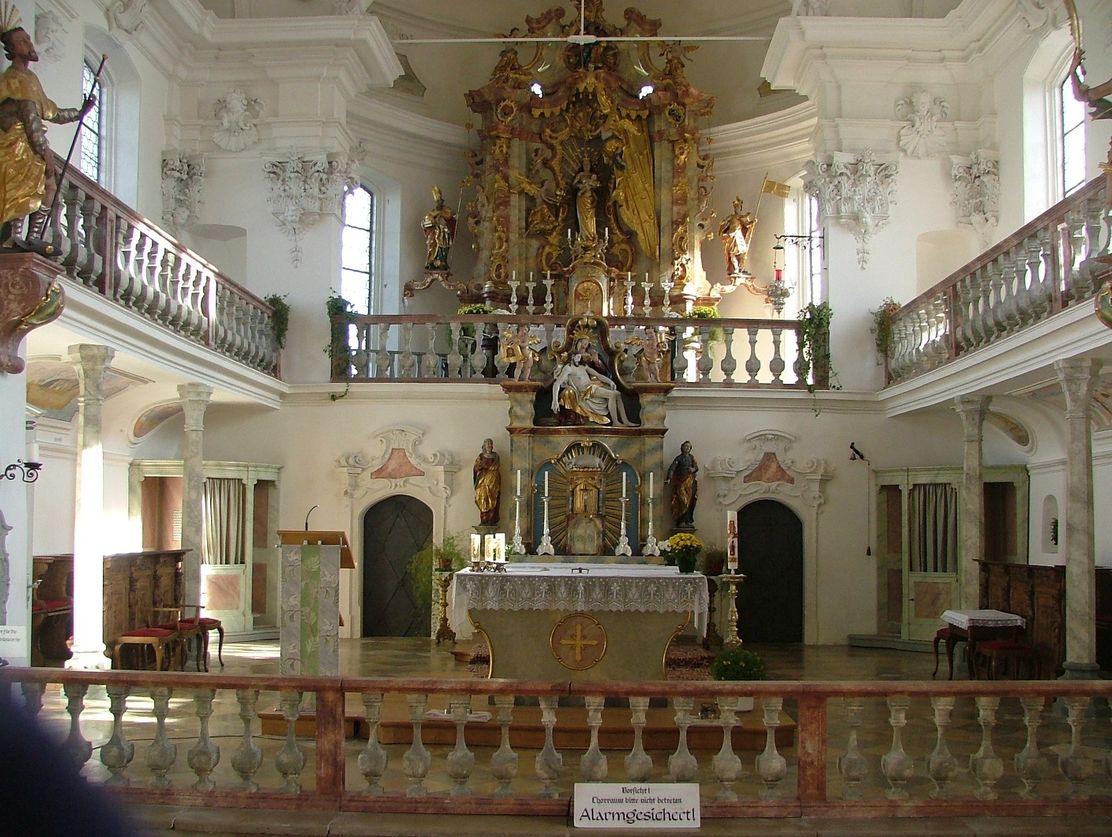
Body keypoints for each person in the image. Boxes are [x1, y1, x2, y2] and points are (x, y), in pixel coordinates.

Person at [0, 13, 96, 244]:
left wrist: (80, 112)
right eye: (23, 41)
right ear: (12, 49)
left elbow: (51, 111)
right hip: (18, 146)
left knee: (47, 190)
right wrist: (46, 153)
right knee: (21, 193)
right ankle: (12, 238)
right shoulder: (14, 79)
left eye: (29, 40)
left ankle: (31, 238)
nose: (30, 45)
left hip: (30, 146)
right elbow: (31, 120)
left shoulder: (30, 78)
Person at [551, 352, 633, 426]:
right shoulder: (568, 368)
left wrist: (610, 382)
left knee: (618, 394)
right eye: (577, 356)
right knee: (612, 395)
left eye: (580, 357)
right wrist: (554, 401)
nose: (579, 359)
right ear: (572, 356)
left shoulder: (583, 366)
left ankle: (625, 421)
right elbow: (557, 383)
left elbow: (598, 375)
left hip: (593, 386)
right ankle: (615, 422)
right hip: (586, 391)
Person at [422, 185, 456, 272]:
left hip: (444, 234)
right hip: (435, 233)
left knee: (443, 248)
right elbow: (426, 221)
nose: (439, 203)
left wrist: (449, 218)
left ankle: (442, 261)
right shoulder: (433, 212)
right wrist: (430, 223)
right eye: (437, 202)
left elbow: (451, 219)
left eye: (440, 201)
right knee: (432, 245)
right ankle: (431, 261)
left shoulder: (447, 210)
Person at [666, 440, 698, 528]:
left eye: (689, 447)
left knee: (690, 501)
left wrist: (693, 469)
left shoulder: (692, 458)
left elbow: (696, 467)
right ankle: (681, 520)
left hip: (690, 482)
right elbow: (672, 468)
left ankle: (687, 520)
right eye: (685, 446)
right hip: (681, 482)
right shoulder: (679, 458)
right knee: (683, 501)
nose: (687, 448)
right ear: (682, 447)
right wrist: (669, 478)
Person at [719, 196, 754, 277]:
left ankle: (740, 268)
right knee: (733, 253)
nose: (736, 209)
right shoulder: (732, 216)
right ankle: (735, 269)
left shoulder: (740, 217)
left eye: (738, 208)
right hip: (732, 235)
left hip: (738, 236)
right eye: (735, 208)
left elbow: (746, 224)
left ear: (740, 209)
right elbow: (723, 222)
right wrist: (722, 222)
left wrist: (753, 222)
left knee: (743, 251)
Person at [473, 438, 501, 525]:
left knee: (493, 497)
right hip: (483, 480)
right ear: (484, 446)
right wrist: (481, 466)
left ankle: (491, 519)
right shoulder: (481, 456)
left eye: (491, 444)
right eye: (488, 444)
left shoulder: (496, 456)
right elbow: (476, 467)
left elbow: (497, 466)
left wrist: (489, 467)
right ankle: (484, 518)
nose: (489, 446)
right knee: (482, 497)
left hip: (493, 480)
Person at [573, 158, 599, 245]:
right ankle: (584, 236)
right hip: (582, 198)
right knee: (583, 218)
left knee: (591, 217)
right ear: (583, 165)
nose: (586, 166)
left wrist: (592, 184)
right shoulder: (580, 175)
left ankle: (591, 236)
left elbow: (598, 185)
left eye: (588, 164)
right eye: (585, 164)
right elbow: (574, 184)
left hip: (590, 199)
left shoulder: (593, 176)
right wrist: (582, 186)